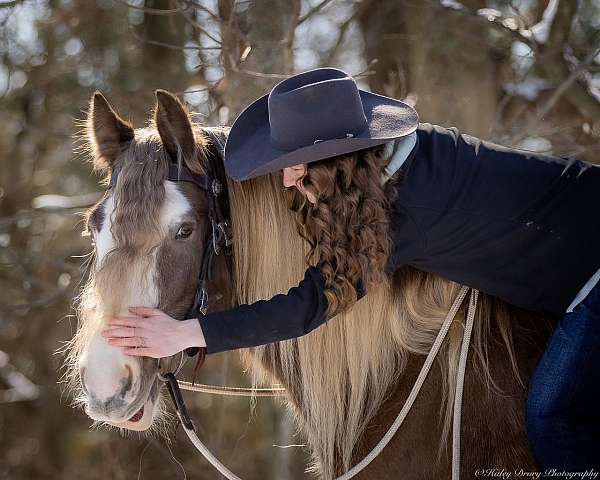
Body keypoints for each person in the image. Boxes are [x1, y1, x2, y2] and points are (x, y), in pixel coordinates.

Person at [102, 68, 600, 471]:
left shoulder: (406, 210)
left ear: (336, 160)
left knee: (552, 415)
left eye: (297, 163)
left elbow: (310, 305)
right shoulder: (394, 165)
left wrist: (189, 333)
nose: (286, 176)